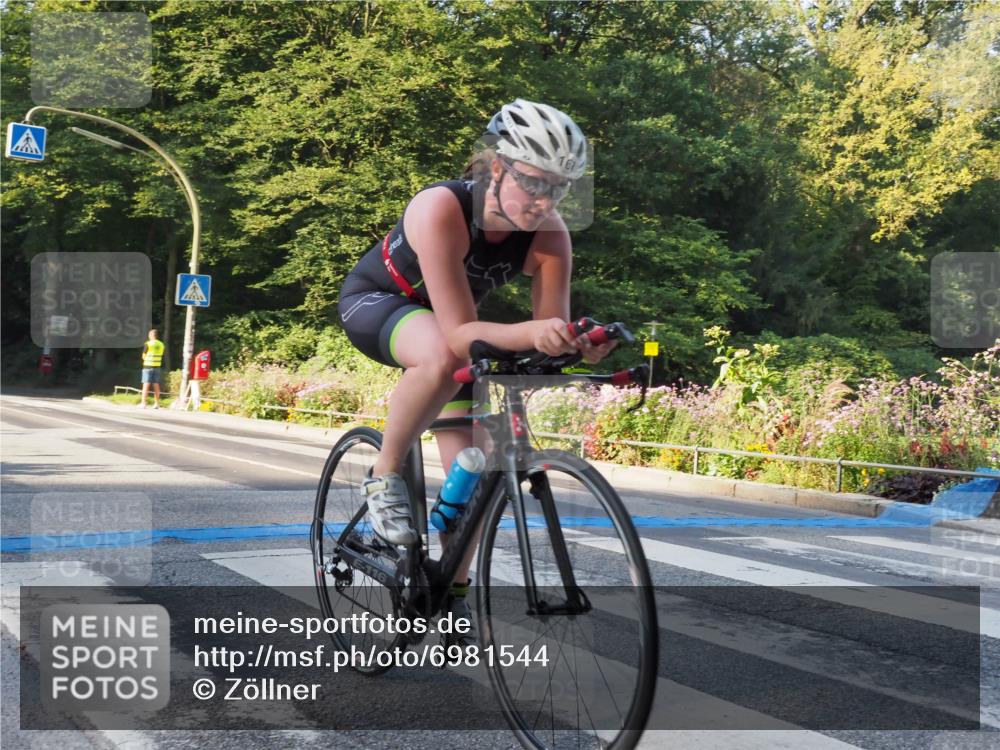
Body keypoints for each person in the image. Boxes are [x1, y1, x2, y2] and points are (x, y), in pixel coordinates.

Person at [337, 99, 615, 644]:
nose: (544, 201)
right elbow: (462, 332)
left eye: (559, 189)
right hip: (380, 304)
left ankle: (447, 591)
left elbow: (545, 332)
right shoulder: (439, 208)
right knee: (442, 352)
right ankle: (384, 474)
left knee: (481, 470)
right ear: (496, 168)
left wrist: (574, 343)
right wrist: (536, 332)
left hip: (450, 329)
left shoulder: (552, 236)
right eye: (534, 183)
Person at [138, 329, 165, 409]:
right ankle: (156, 404)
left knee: (146, 384)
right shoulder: (161, 344)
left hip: (148, 366)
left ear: (151, 335)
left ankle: (143, 403)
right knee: (156, 385)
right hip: (157, 367)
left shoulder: (148, 344)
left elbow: (143, 356)